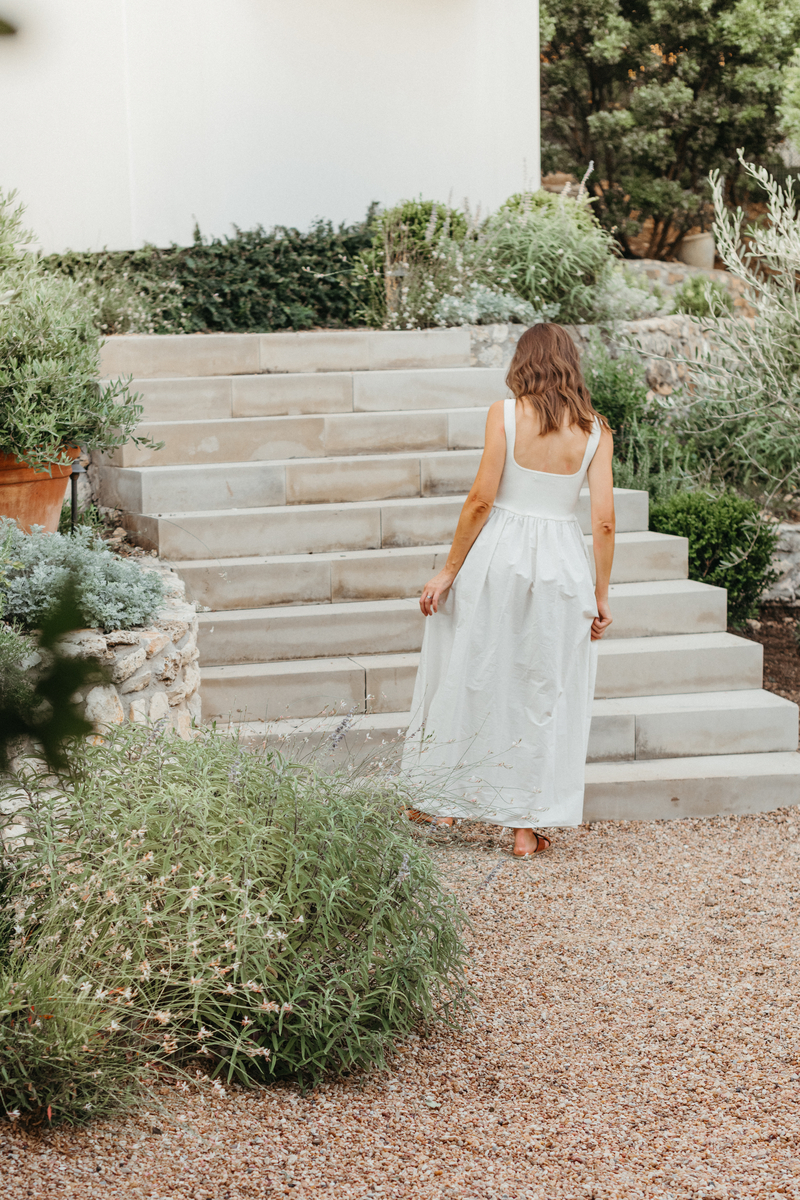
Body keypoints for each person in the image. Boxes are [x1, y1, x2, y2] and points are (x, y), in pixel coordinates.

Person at [402, 323, 615, 855]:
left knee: (471, 669)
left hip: (499, 554)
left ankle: (442, 803)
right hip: (563, 563)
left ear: (524, 361)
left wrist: (448, 570)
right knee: (543, 687)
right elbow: (605, 520)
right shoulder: (596, 430)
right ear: (571, 363)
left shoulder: (504, 413)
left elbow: (480, 498)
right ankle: (524, 827)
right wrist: (601, 595)